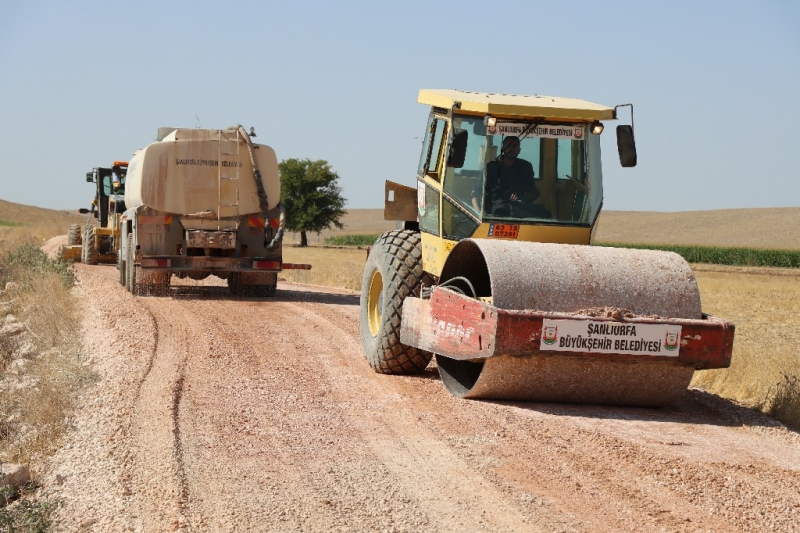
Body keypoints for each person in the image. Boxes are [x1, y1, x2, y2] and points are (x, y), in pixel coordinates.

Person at [472, 136, 539, 213]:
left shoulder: (526, 167)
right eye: (508, 146)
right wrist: (478, 212)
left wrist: (521, 196)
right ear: (503, 148)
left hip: (519, 210)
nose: (511, 149)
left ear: (519, 150)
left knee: (545, 214)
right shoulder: (491, 168)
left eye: (515, 146)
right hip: (494, 211)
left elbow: (532, 191)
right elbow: (475, 192)